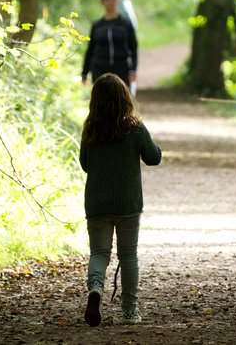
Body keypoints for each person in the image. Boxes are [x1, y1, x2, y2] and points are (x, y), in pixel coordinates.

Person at [79, 73, 162, 326]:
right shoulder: (135, 129)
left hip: (97, 203)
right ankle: (129, 311)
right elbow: (153, 157)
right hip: (128, 203)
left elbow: (85, 164)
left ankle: (95, 288)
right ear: (125, 98)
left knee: (100, 253)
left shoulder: (90, 129)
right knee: (128, 256)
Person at [82, 0, 138, 89]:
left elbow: (133, 48)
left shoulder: (126, 24)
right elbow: (90, 49)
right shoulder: (97, 25)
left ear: (117, 2)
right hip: (100, 69)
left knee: (122, 101)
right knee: (101, 101)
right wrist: (84, 73)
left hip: (121, 68)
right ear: (103, 2)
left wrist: (133, 70)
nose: (110, 2)